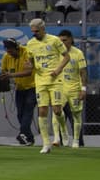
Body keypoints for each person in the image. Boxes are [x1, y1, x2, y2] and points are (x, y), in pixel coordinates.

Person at [26, 17, 69, 153]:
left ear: (43, 29)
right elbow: (31, 62)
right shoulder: (30, 44)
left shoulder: (54, 40)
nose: (35, 34)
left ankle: (63, 130)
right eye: (33, 31)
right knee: (42, 111)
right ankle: (46, 143)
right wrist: (30, 66)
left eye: (37, 31)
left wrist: (58, 69)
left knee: (57, 110)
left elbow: (66, 56)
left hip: (55, 80)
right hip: (40, 81)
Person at [0, 38, 36, 145]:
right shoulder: (6, 56)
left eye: (11, 51)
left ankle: (22, 134)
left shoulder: (26, 53)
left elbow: (29, 71)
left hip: (32, 87)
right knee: (20, 114)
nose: (9, 53)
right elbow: (3, 70)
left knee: (28, 111)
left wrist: (11, 75)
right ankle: (29, 137)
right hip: (19, 88)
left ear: (17, 48)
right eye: (7, 51)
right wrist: (3, 77)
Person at [58, 30, 88, 148]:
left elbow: (83, 72)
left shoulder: (78, 53)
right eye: (60, 41)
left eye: (64, 40)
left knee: (74, 116)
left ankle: (78, 142)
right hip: (60, 90)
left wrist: (83, 89)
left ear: (71, 39)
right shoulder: (56, 53)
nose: (62, 43)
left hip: (74, 90)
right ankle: (61, 141)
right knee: (58, 116)